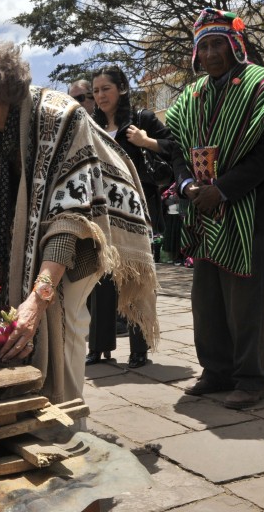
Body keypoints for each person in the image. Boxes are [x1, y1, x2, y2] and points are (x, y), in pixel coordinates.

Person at [0, 35, 159, 404]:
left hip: (85, 229)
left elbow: (69, 216)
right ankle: (24, 410)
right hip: (31, 234)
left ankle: (63, 417)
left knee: (64, 326)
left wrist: (39, 297)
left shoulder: (60, 115)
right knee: (7, 319)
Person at [166, 8, 264, 409]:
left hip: (247, 209)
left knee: (246, 301)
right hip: (204, 211)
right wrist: (189, 185)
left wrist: (222, 190)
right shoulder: (189, 98)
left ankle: (252, 379)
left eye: (217, 44)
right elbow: (176, 149)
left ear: (235, 44)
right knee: (205, 298)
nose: (210, 53)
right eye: (203, 46)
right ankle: (215, 370)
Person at [86, 65, 177, 368]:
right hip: (101, 213)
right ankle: (99, 347)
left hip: (137, 213)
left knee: (136, 276)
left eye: (105, 89)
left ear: (122, 89)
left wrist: (146, 142)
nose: (100, 96)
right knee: (100, 278)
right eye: (96, 91)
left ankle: (140, 348)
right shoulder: (90, 126)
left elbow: (174, 148)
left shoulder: (143, 120)